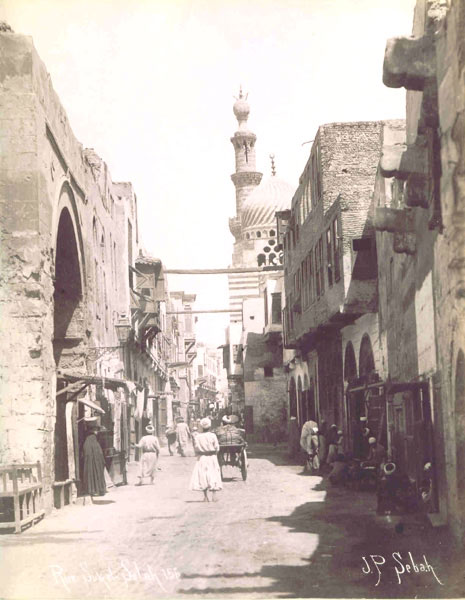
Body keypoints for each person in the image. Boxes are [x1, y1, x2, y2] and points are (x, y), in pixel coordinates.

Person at [190, 417, 223, 502]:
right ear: (210, 426)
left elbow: (196, 448)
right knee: (213, 474)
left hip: (202, 458)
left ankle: (205, 496)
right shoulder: (213, 436)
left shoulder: (198, 437)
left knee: (202, 475)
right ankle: (214, 495)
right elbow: (217, 448)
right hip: (212, 457)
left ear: (201, 426)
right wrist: (214, 453)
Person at [82, 418, 106, 497]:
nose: (97, 431)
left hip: (92, 456)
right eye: (95, 429)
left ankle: (92, 489)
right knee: (95, 470)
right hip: (94, 456)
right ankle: (97, 488)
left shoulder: (89, 440)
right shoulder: (92, 439)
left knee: (92, 470)